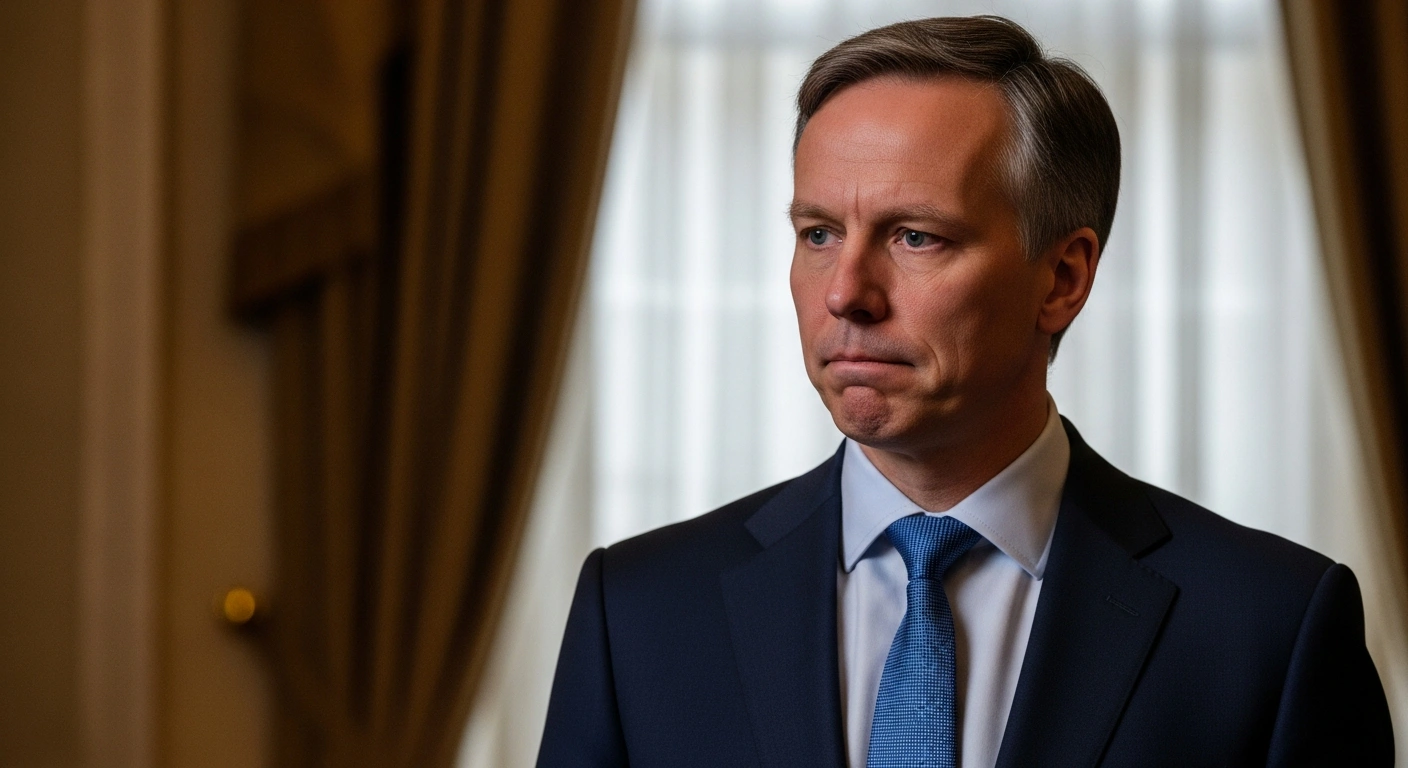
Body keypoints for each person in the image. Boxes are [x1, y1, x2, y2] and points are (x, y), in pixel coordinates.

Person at [537, 15, 1393, 768]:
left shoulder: (1269, 630)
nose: (846, 293)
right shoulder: (640, 615)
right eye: (820, 233)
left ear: (1062, 277)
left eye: (916, 236)